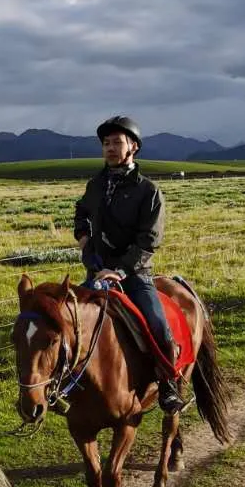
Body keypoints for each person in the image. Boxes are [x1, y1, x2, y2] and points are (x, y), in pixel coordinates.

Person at [73, 116, 185, 412]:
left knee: (159, 327)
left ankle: (168, 385)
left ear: (133, 147)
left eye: (116, 142)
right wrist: (86, 246)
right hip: (97, 272)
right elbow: (81, 215)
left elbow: (149, 240)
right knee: (69, 322)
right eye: (106, 143)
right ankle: (67, 386)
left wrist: (120, 270)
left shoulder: (148, 191)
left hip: (135, 275)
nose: (110, 148)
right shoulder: (95, 185)